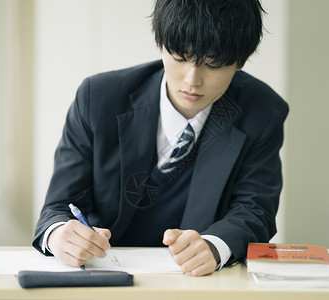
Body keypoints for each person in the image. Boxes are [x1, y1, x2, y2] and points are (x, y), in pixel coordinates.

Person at [33, 0, 289, 277]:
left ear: (241, 61)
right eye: (180, 57)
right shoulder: (98, 98)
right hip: (102, 272)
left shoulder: (262, 111)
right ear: (160, 45)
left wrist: (214, 247)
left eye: (213, 64)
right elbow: (60, 205)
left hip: (198, 281)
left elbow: (255, 210)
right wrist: (59, 234)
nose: (192, 80)